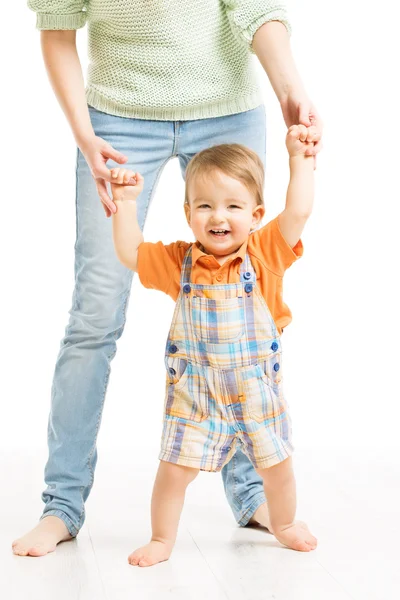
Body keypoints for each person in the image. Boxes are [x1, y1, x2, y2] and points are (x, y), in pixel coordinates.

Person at [13, 0, 322, 557]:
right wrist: (85, 137)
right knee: (95, 314)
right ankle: (61, 505)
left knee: (247, 299)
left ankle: (252, 493)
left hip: (227, 110)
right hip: (115, 119)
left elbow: (255, 10)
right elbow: (56, 30)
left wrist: (290, 93)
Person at [110, 127, 318, 567]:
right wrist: (126, 205)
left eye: (233, 206)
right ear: (188, 213)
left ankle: (282, 524)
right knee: (173, 471)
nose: (217, 216)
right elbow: (130, 252)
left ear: (256, 214)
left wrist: (300, 160)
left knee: (277, 468)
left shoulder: (264, 254)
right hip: (196, 396)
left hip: (255, 392)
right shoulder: (178, 261)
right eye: (204, 205)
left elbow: (298, 211)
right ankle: (162, 539)